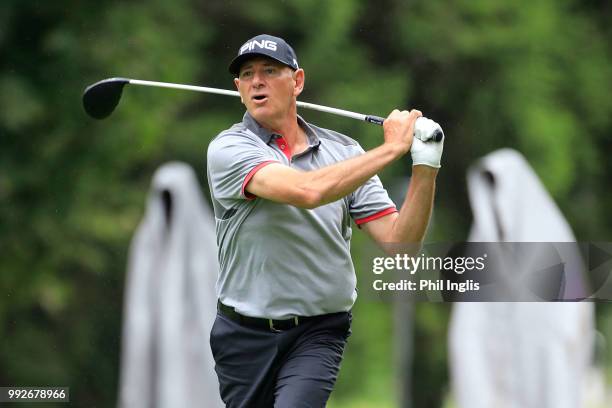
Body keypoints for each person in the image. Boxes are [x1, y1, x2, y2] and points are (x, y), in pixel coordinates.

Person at [206, 34, 444, 407]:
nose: (257, 81)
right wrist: (392, 148)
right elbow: (307, 192)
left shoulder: (344, 152)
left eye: (270, 71)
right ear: (238, 88)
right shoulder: (228, 149)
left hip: (318, 332)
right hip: (244, 334)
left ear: (297, 81)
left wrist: (425, 165)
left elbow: (403, 246)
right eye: (247, 74)